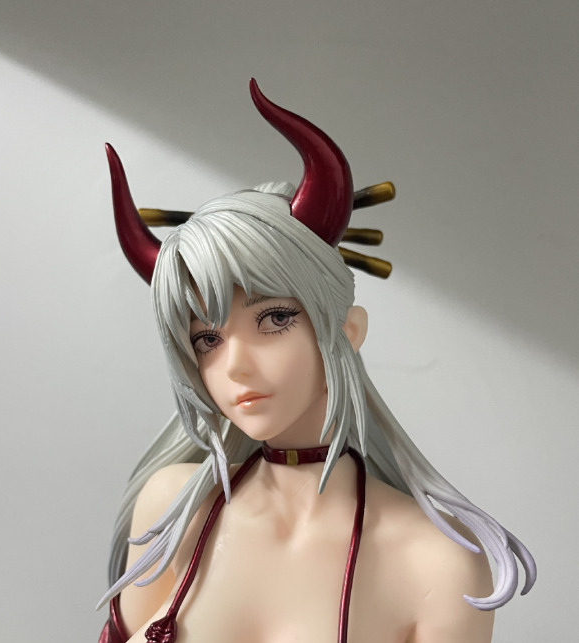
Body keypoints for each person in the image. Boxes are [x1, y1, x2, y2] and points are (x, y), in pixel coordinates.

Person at [97, 80, 536, 643]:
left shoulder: (438, 565)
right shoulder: (172, 510)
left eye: (275, 318)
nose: (235, 365)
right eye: (207, 339)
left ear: (348, 331)